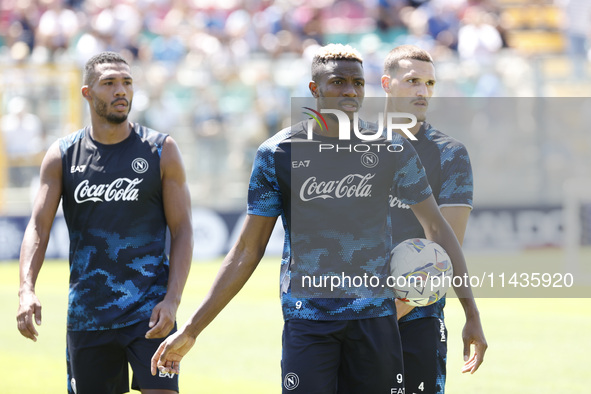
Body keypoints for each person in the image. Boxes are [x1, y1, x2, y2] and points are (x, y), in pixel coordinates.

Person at [150, 43, 477, 393]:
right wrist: (192, 329)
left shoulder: (391, 148)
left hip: (375, 323)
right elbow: (248, 248)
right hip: (308, 320)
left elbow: (437, 228)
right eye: (338, 82)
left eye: (357, 83)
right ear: (314, 89)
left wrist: (470, 311)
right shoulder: (278, 153)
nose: (350, 91)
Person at [16, 51, 193, 394]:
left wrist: (172, 300)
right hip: (88, 315)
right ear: (87, 93)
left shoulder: (161, 150)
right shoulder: (63, 155)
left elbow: (183, 229)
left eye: (127, 82)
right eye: (109, 83)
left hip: (151, 315)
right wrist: (26, 290)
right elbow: (38, 227)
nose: (121, 91)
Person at [381, 44, 488, 393]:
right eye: (412, 80)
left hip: (418, 318)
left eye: (429, 83)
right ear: (386, 83)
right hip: (350, 311)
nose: (422, 91)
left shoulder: (449, 154)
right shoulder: (352, 146)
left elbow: (443, 246)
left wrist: (470, 313)